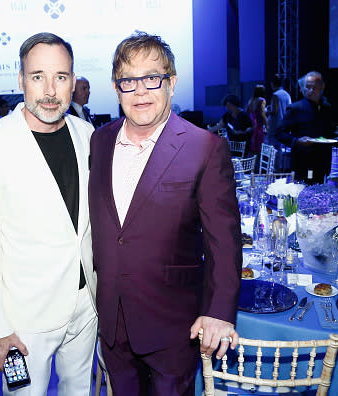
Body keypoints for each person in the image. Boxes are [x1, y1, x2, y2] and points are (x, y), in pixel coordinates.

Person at [88, 32, 241, 396]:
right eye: (128, 81)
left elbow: (224, 240)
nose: (140, 91)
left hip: (173, 325)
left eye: (151, 78)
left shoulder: (205, 147)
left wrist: (220, 312)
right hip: (112, 319)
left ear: (171, 82)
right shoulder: (101, 140)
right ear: (116, 87)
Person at [0, 32, 97, 396]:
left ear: (72, 80)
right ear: (21, 80)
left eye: (61, 77)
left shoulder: (87, 134)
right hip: (24, 317)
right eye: (38, 76)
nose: (50, 90)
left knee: (79, 391)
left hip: (86, 303)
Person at [274, 71, 338, 184]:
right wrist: (297, 141)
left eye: (314, 87)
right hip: (303, 163)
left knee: (320, 197)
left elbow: (330, 135)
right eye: (308, 87)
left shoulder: (327, 108)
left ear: (322, 87)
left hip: (323, 162)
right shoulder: (296, 108)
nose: (310, 91)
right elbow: (279, 133)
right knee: (303, 197)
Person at [267, 74, 291, 146]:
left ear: (272, 83)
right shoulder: (287, 94)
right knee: (280, 147)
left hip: (275, 125)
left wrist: (267, 111)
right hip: (284, 124)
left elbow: (275, 111)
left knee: (273, 148)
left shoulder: (276, 95)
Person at [246, 84, 268, 154]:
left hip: (252, 122)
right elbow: (262, 113)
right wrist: (267, 125)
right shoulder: (262, 100)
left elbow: (247, 111)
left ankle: (253, 161)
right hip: (258, 123)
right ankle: (258, 162)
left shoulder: (251, 100)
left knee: (253, 144)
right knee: (259, 146)